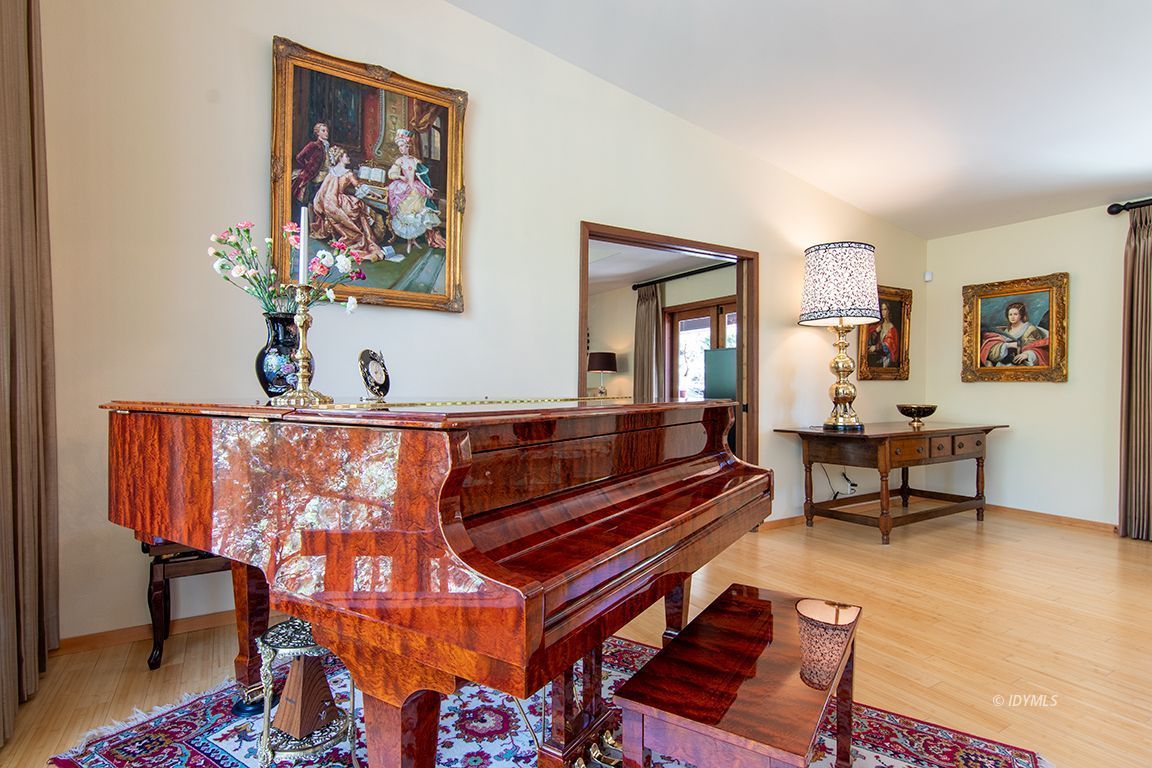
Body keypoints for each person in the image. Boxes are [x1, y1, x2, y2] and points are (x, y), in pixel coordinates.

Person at [311, 145, 384, 260]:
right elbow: (359, 186)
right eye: (346, 156)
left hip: (330, 203)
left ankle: (346, 239)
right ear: (340, 158)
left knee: (357, 206)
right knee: (360, 206)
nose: (348, 158)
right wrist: (375, 194)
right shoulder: (348, 173)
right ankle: (362, 237)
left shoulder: (332, 171)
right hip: (341, 203)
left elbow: (323, 191)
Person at [386, 128, 447, 252]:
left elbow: (424, 177)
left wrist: (428, 188)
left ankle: (414, 240)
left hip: (416, 190)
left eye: (403, 146)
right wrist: (399, 176)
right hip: (404, 191)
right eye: (400, 147)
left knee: (416, 216)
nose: (401, 149)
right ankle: (409, 241)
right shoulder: (399, 161)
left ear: (408, 147)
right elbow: (391, 174)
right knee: (406, 216)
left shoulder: (415, 161)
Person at [980, 301, 1049, 366]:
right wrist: (1007, 345)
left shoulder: (1029, 329)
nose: (1012, 317)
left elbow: (1034, 346)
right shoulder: (1006, 330)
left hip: (1021, 363)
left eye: (1015, 314)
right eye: (1010, 314)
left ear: (1021, 315)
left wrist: (1027, 354)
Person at [291, 122, 330, 207]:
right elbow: (299, 157)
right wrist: (308, 166)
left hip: (325, 177)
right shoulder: (313, 145)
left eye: (327, 131)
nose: (326, 133)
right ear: (317, 133)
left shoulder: (326, 146)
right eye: (323, 131)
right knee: (312, 201)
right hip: (314, 178)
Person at [866, 301, 900, 368]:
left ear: (889, 311)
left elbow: (889, 346)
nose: (883, 312)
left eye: (885, 309)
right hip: (878, 357)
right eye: (882, 309)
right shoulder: (879, 326)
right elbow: (867, 335)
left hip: (887, 360)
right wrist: (875, 332)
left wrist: (876, 347)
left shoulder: (892, 329)